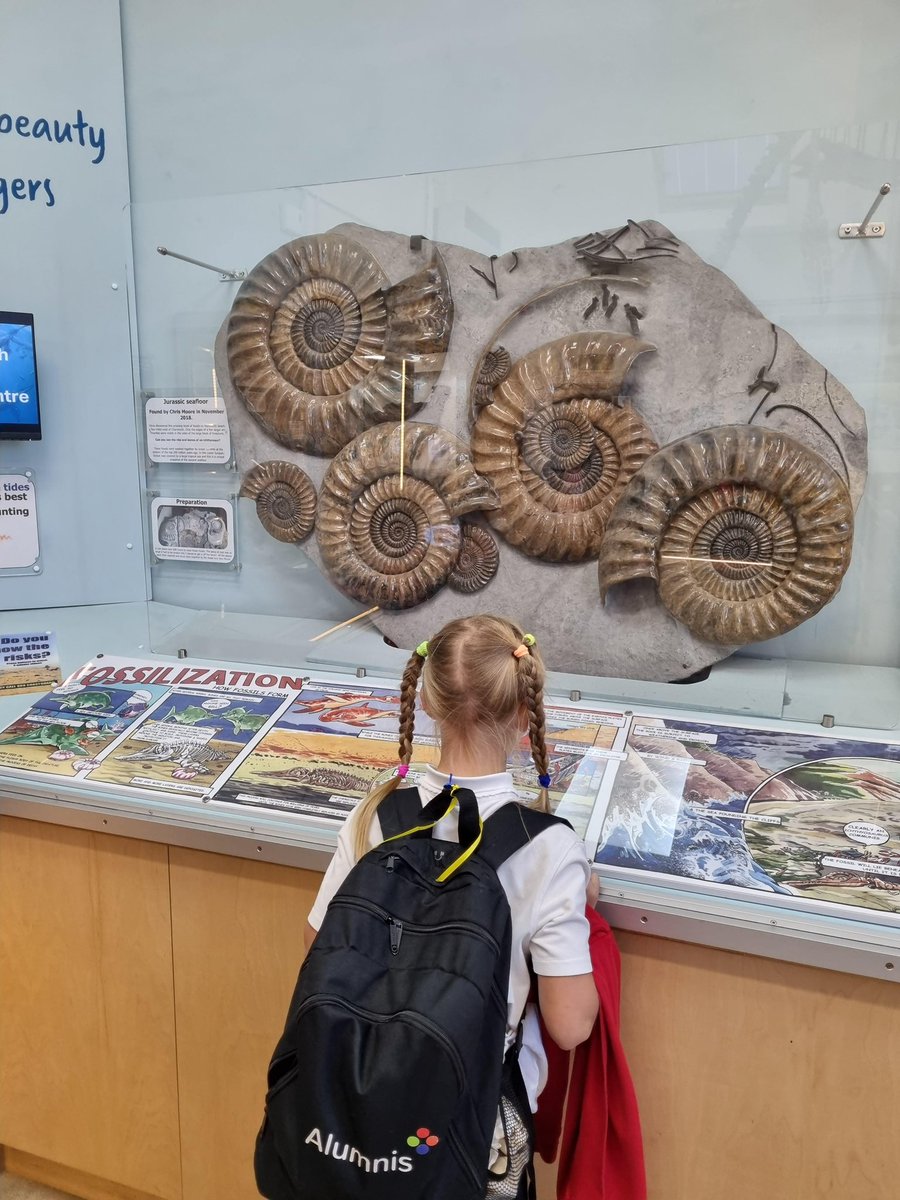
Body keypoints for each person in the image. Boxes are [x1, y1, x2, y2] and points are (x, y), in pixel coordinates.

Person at [305, 614, 599, 1197]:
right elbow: (570, 1026)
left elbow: (320, 951)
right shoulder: (548, 847)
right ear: (524, 712)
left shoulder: (375, 816)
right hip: (473, 1122)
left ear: (430, 704)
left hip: (359, 1100)